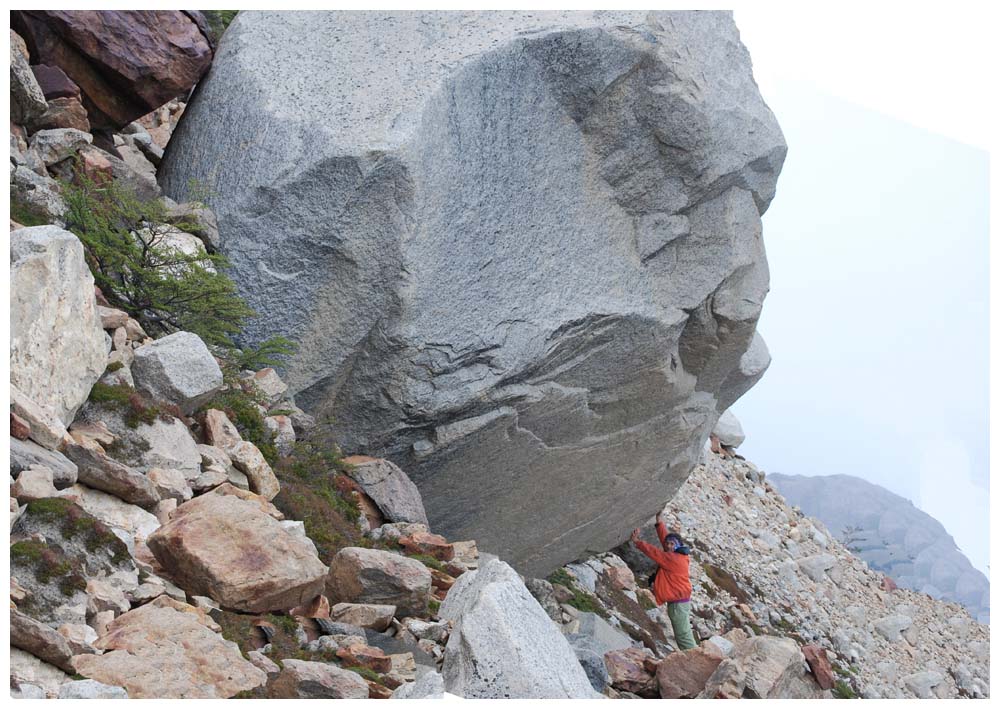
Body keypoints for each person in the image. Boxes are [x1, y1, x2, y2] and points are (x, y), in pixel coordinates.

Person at [631, 512, 696, 650]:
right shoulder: (680, 554)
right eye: (668, 544)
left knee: (682, 635)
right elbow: (665, 542)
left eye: (672, 544)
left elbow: (655, 553)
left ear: (678, 545)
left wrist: (637, 542)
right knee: (683, 633)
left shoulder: (672, 559)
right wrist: (659, 522)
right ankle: (693, 653)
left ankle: (694, 656)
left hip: (678, 605)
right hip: (680, 601)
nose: (669, 546)